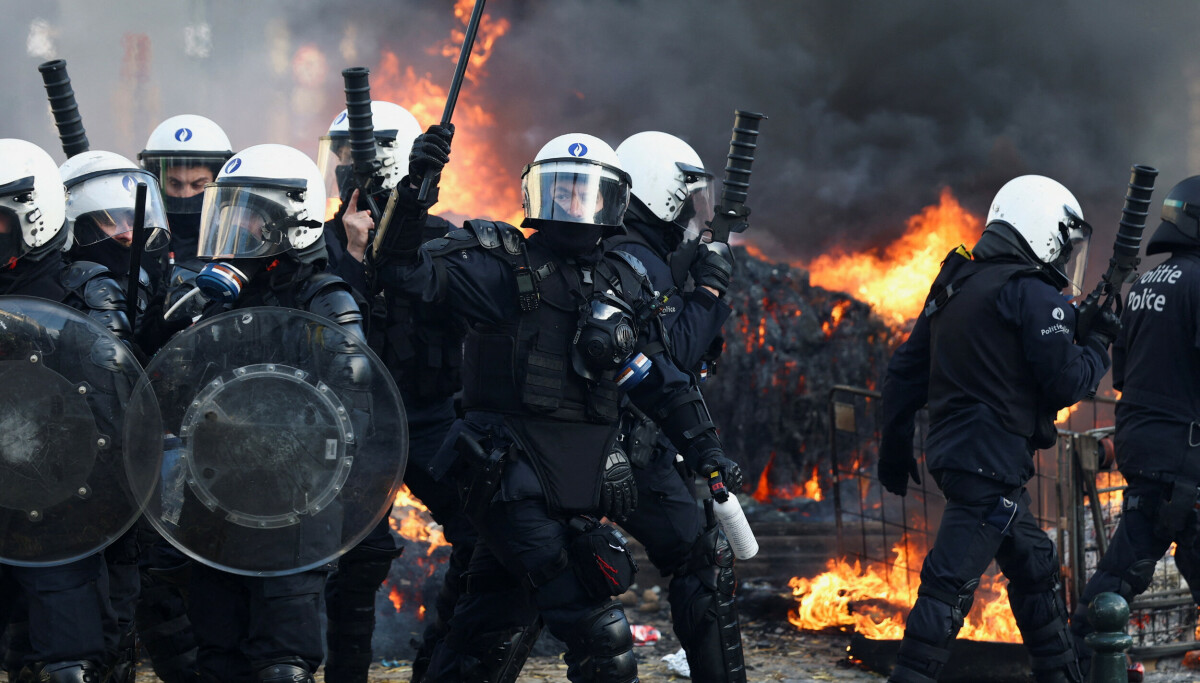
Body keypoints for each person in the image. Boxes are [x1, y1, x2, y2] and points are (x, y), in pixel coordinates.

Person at [373, 130, 744, 683]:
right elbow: (401, 271)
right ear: (535, 194)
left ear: (614, 199)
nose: (572, 203)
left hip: (576, 487)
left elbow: (656, 375)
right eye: (560, 190)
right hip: (510, 485)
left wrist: (707, 450)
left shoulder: (621, 281)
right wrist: (412, 195)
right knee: (602, 634)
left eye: (586, 192)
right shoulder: (501, 265)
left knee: (489, 632)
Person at [877, 175, 1117, 683]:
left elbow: (905, 371)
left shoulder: (957, 281)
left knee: (1035, 566)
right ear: (1042, 230)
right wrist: (1097, 343)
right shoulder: (1032, 293)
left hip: (959, 459)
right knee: (948, 589)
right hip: (989, 467)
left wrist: (894, 448)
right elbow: (1065, 382)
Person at [183, 144, 366, 683]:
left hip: (294, 507)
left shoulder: (327, 303)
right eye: (229, 215)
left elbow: (354, 415)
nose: (234, 230)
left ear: (293, 222)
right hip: (215, 500)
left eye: (248, 218)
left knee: (282, 665)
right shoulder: (216, 300)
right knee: (217, 659)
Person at [315, 101, 471, 683]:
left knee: (486, 536)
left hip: (430, 418)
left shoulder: (441, 240)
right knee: (359, 561)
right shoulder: (320, 245)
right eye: (341, 159)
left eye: (358, 159)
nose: (347, 172)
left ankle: (437, 668)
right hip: (353, 430)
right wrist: (352, 255)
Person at [606, 131, 747, 681]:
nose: (696, 209)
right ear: (663, 192)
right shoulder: (640, 259)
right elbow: (678, 355)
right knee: (700, 561)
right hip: (630, 448)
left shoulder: (629, 251)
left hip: (601, 444)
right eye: (689, 194)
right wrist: (708, 290)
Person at [0, 138, 138, 682]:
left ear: (29, 217)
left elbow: (111, 408)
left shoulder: (85, 292)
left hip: (58, 507)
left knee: (68, 663)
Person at [1068, 176, 1200, 666]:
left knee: (1126, 571)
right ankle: (1083, 663)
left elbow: (1123, 374)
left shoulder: (1143, 285)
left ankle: (1079, 661)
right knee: (1128, 572)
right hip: (1185, 461)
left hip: (1145, 450)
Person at [139, 114, 235, 325]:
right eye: (175, 184)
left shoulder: (234, 242)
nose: (185, 196)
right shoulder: (138, 238)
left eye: (198, 185)